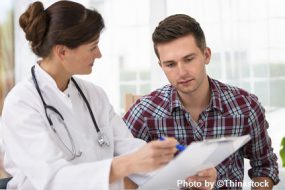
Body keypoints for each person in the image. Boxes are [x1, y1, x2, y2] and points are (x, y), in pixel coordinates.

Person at [0, 1, 182, 189]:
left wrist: (184, 175)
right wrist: (128, 164)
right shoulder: (21, 103)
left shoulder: (94, 95)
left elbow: (129, 148)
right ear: (62, 52)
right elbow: (54, 180)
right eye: (93, 47)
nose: (99, 54)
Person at [124, 14, 280, 189]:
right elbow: (116, 171)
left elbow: (265, 167)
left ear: (206, 55)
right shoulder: (144, 112)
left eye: (189, 59)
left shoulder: (245, 107)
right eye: (170, 64)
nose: (182, 72)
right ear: (161, 66)